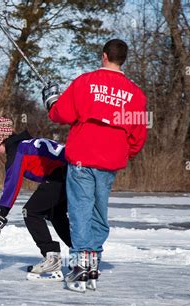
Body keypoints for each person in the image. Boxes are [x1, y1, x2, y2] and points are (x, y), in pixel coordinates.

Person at [42, 39, 148, 292]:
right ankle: (92, 264)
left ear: (103, 56)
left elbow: (62, 115)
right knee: (99, 212)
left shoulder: (85, 82)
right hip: (109, 161)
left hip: (82, 157)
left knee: (80, 212)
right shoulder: (135, 94)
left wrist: (51, 102)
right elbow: (137, 135)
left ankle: (81, 266)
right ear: (123, 59)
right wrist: (123, 152)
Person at [0, 117, 72, 281]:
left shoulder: (17, 149)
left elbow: (12, 183)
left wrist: (1, 213)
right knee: (56, 214)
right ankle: (82, 255)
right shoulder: (26, 143)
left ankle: (51, 258)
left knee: (30, 212)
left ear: (0, 139)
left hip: (63, 173)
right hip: (71, 171)